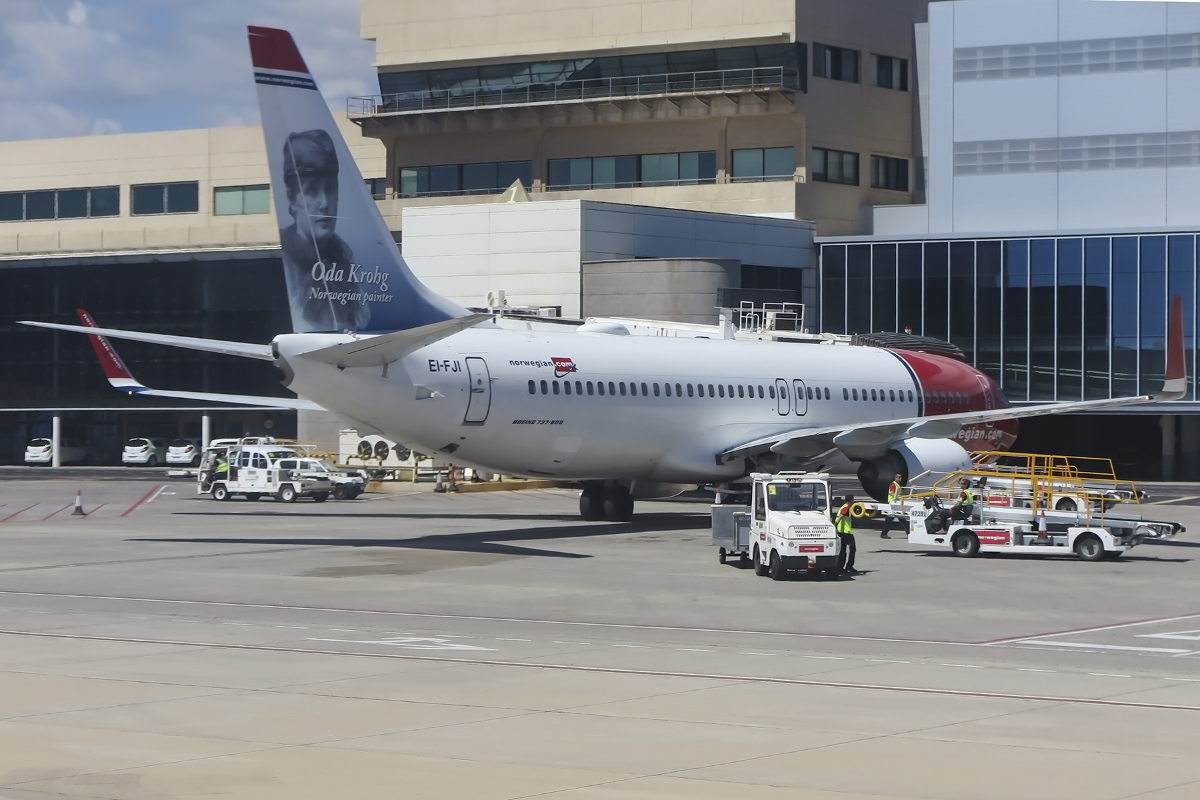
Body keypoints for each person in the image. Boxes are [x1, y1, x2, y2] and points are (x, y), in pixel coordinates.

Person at [278, 129, 370, 333]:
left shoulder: (341, 252)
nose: (325, 203)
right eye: (311, 190)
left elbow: (361, 317)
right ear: (292, 198)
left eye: (330, 188)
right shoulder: (283, 258)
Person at [836, 495, 859, 576]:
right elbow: (842, 515)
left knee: (842, 551)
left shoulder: (843, 507)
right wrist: (835, 524)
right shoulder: (846, 508)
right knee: (853, 549)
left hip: (841, 532)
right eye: (853, 499)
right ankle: (849, 566)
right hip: (846, 533)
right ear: (851, 500)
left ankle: (840, 567)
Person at [881, 472, 904, 539]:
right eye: (899, 477)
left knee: (900, 517)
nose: (900, 478)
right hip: (893, 502)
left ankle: (884, 533)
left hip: (896, 502)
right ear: (895, 478)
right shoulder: (893, 484)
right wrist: (898, 498)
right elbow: (892, 493)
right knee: (895, 518)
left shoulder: (897, 485)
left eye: (901, 477)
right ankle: (884, 533)